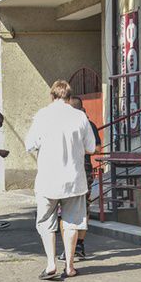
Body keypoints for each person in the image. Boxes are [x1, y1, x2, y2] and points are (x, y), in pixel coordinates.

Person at [25, 80, 96, 280]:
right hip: (74, 179)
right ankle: (70, 266)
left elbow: (29, 144)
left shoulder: (42, 115)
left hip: (47, 179)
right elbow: (91, 147)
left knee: (46, 221)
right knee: (72, 222)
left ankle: (50, 264)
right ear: (70, 97)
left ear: (52, 96)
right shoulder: (80, 116)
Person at [57, 97, 101, 261]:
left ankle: (77, 245)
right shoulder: (65, 124)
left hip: (80, 169)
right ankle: (71, 247)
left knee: (79, 207)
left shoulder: (88, 125)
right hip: (68, 169)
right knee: (68, 208)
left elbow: (97, 148)